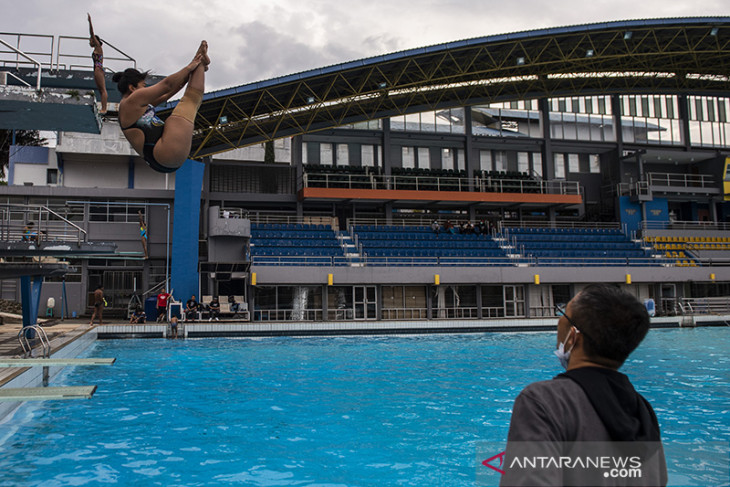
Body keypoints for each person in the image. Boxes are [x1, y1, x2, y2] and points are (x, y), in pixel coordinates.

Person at [500, 284, 667, 486]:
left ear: (574, 335)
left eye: (564, 314)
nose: (558, 321)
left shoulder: (543, 402)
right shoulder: (643, 412)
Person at [113, 40, 209, 173]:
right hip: (163, 152)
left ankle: (201, 64)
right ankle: (200, 62)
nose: (145, 87)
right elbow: (166, 85)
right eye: (143, 85)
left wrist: (190, 75)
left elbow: (167, 94)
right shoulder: (131, 101)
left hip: (160, 158)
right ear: (132, 88)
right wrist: (189, 67)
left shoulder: (134, 106)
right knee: (187, 105)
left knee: (190, 100)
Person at [87, 13, 108, 114]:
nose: (89, 42)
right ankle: (103, 107)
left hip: (99, 69)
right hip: (96, 69)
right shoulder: (97, 48)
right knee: (100, 90)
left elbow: (92, 32)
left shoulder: (98, 47)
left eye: (90, 40)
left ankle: (104, 108)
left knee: (103, 89)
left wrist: (90, 22)